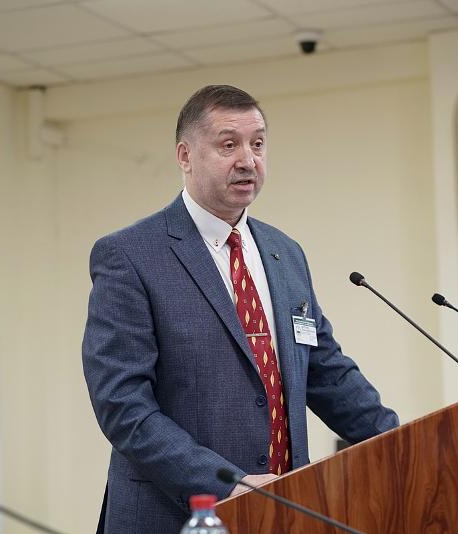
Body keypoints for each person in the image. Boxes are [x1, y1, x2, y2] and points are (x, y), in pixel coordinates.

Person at [82, 85, 398, 533]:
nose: (248, 159)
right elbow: (122, 404)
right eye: (228, 145)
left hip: (286, 510)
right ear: (185, 156)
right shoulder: (131, 256)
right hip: (175, 517)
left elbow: (325, 371)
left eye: (258, 144)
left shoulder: (285, 253)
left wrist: (403, 441)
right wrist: (226, 483)